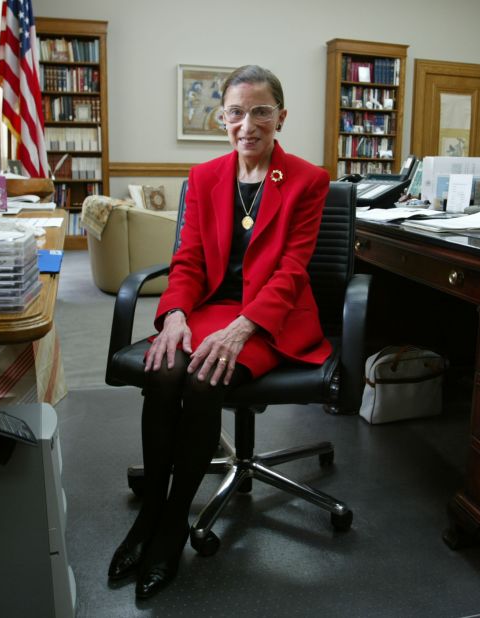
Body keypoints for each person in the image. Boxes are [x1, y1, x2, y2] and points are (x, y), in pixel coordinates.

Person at [106, 65, 332, 599]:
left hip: (269, 317)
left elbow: (292, 270)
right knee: (164, 373)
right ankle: (152, 512)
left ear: (281, 116)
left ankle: (172, 526)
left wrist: (243, 326)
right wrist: (177, 315)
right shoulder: (205, 178)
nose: (247, 123)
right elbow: (184, 261)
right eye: (236, 111)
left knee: (205, 381)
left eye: (260, 111)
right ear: (221, 117)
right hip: (208, 308)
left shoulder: (306, 180)